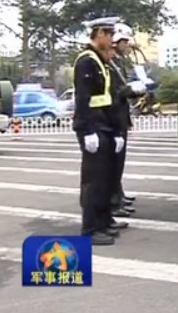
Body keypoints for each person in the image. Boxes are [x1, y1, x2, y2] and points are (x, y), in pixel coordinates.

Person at [72, 17, 125, 245]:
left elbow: (107, 99)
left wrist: (115, 131)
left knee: (105, 180)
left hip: (104, 125)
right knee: (93, 182)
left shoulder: (100, 61)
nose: (112, 40)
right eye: (110, 34)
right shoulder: (86, 61)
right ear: (99, 33)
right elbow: (83, 99)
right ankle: (90, 229)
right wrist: (86, 130)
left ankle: (103, 222)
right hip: (92, 126)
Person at [109, 29, 142, 216]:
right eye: (124, 42)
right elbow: (117, 92)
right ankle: (114, 200)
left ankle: (118, 195)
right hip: (113, 119)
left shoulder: (118, 62)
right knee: (114, 163)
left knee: (118, 163)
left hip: (120, 117)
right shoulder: (110, 63)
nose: (127, 45)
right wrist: (131, 91)